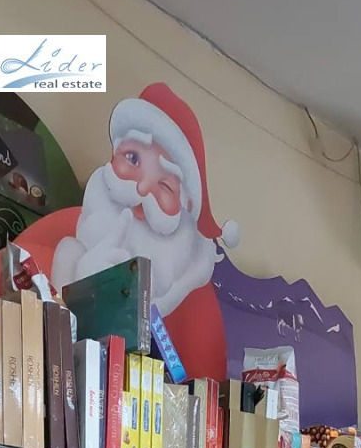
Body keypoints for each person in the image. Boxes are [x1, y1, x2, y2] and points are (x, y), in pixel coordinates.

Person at [52, 82, 239, 378]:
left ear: (185, 206)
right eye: (133, 159)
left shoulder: (190, 298)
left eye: (164, 186)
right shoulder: (71, 238)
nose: (141, 190)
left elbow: (193, 376)